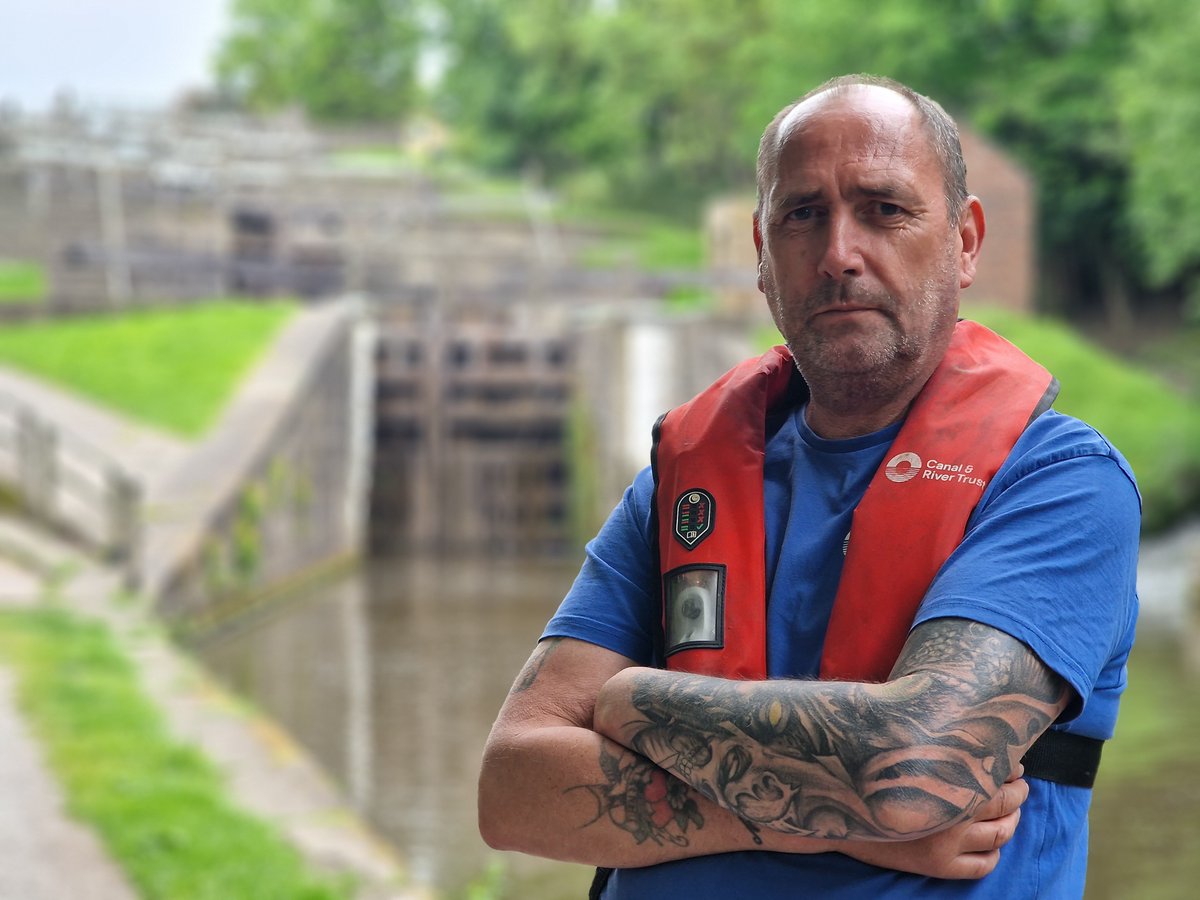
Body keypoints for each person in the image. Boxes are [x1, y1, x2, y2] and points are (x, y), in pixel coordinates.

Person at [478, 74, 1140, 898]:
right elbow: (512, 787)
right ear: (761, 255)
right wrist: (837, 822)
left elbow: (913, 767)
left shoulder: (1058, 484)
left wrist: (629, 698)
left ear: (966, 241)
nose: (838, 255)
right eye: (802, 215)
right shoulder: (679, 490)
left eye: (885, 210)